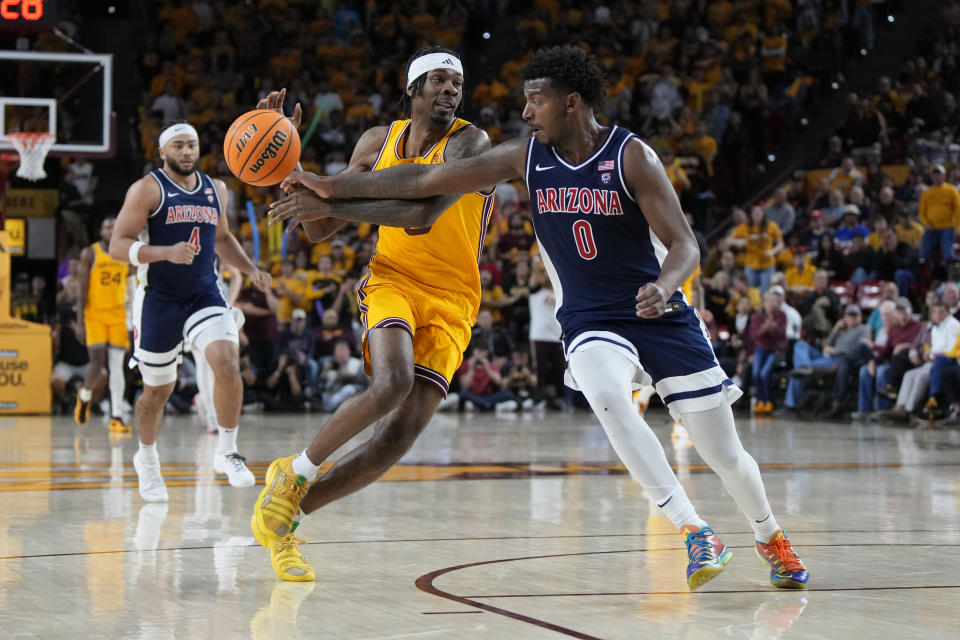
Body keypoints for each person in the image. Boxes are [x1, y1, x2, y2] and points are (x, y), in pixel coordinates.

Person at [270, 45, 808, 590]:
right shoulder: (523, 157)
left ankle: (770, 536)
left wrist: (666, 286)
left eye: (535, 101)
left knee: (725, 454)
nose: (525, 113)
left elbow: (685, 244)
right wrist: (325, 183)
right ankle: (694, 530)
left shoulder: (630, 156)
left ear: (571, 103)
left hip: (658, 314)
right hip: (588, 316)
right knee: (607, 398)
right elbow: (419, 183)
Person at [248, 47, 496, 582]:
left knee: (395, 440)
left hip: (455, 299)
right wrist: (288, 165)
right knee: (392, 383)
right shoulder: (376, 143)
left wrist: (330, 197)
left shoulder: (472, 142)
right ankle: (294, 472)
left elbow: (422, 213)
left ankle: (286, 516)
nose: (451, 89)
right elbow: (316, 228)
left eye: (457, 81)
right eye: (438, 79)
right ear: (412, 89)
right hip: (393, 279)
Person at [109, 122, 270, 502]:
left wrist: (249, 269)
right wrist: (165, 252)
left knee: (227, 361)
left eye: (192, 145)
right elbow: (118, 244)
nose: (186, 152)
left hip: (203, 293)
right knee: (157, 392)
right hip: (159, 298)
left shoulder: (217, 189)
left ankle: (227, 451)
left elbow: (224, 238)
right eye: (178, 146)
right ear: (162, 151)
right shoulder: (147, 189)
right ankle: (146, 458)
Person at [74, 217, 133, 433]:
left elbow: (132, 288)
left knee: (118, 367)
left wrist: (133, 319)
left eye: (114, 225)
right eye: (107, 226)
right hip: (94, 314)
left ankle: (116, 415)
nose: (110, 229)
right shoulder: (90, 253)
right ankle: (85, 395)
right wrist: (80, 321)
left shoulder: (126, 253)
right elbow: (81, 291)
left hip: (118, 315)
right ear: (100, 231)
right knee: (97, 364)